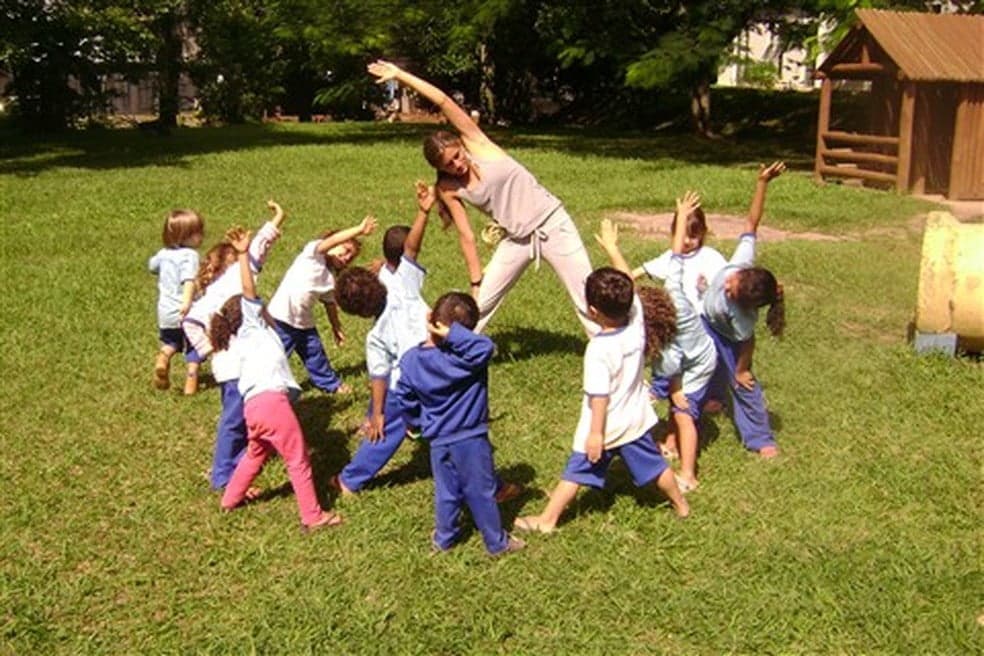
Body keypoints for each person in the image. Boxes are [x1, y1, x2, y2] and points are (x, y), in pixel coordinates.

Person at [368, 60, 597, 335]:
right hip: (517, 239)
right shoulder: (448, 188)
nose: (457, 165)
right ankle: (448, 357)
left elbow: (442, 100)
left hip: (553, 225)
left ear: (459, 145)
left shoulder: (477, 142)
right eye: (448, 165)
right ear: (440, 169)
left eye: (456, 156)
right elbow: (466, 236)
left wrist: (401, 75)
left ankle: (616, 357)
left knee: (587, 300)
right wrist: (476, 282)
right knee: (478, 306)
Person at [513, 220, 689, 533]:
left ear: (592, 310)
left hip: (606, 425)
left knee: (575, 470)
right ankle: (682, 505)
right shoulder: (636, 321)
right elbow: (631, 288)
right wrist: (612, 249)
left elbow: (599, 397)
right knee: (655, 468)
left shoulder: (598, 350)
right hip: (635, 420)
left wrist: (595, 435)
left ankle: (547, 520)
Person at [210, 227, 342, 532]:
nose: (265, 308)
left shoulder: (243, 340)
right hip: (272, 403)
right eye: (259, 306)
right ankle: (313, 516)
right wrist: (244, 254)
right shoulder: (253, 327)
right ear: (250, 314)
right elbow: (247, 291)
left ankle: (230, 499)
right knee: (298, 459)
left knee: (256, 453)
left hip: (253, 407)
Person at [395, 292, 525, 556]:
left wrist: (416, 422)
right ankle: (496, 543)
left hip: (439, 440)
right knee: (481, 491)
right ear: (465, 332)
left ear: (431, 318)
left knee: (446, 492)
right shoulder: (469, 358)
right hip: (470, 438)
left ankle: (445, 538)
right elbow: (485, 346)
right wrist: (453, 334)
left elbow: (403, 396)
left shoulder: (411, 360)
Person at [330, 182, 434, 495]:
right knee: (434, 422)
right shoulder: (401, 281)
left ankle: (350, 479)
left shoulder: (376, 336)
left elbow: (379, 376)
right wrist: (423, 212)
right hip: (436, 364)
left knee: (386, 423)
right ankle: (351, 480)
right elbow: (411, 249)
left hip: (406, 382)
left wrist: (377, 413)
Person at [181, 201, 286, 490]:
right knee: (233, 419)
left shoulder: (243, 273)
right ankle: (223, 475)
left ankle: (245, 456)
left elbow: (259, 248)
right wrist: (210, 349)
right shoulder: (221, 291)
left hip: (246, 365)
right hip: (233, 368)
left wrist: (277, 217)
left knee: (247, 413)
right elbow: (189, 320)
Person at [700, 162, 787, 459]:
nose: (726, 285)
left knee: (742, 384)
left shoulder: (742, 319)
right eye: (731, 282)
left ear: (743, 305)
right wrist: (762, 183)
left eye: (731, 293)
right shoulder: (740, 262)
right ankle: (712, 398)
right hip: (706, 323)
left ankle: (760, 437)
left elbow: (747, 343)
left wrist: (741, 368)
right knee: (702, 363)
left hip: (728, 337)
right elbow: (752, 223)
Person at [651, 192, 719, 492]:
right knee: (673, 399)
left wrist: (674, 390)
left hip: (699, 361)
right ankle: (670, 441)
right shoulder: (673, 286)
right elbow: (676, 254)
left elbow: (672, 371)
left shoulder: (669, 337)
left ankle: (689, 475)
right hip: (690, 352)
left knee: (683, 409)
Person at [266, 215, 378, 395]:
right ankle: (263, 383)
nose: (346, 257)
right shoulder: (313, 254)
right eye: (345, 249)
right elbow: (334, 239)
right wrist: (359, 229)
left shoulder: (330, 278)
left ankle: (331, 384)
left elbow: (329, 303)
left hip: (304, 323)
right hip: (281, 318)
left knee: (315, 355)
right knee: (275, 356)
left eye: (351, 257)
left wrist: (336, 326)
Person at [148, 209, 204, 393]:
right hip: (186, 311)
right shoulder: (191, 255)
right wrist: (187, 303)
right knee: (195, 346)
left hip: (165, 313)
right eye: (198, 233)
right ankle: (191, 384)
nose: (202, 236)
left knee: (171, 342)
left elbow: (152, 266)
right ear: (185, 236)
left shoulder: (163, 254)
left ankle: (163, 359)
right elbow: (188, 280)